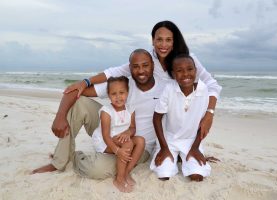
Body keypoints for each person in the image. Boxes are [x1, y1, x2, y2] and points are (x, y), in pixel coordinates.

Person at [64, 20, 222, 141]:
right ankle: (62, 157)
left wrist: (209, 113)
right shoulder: (147, 61)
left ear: (174, 42)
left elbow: (212, 85)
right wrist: (85, 82)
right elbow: (114, 72)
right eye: (159, 39)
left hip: (174, 118)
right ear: (152, 40)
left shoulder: (187, 60)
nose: (163, 45)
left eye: (168, 40)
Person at [31, 49, 166, 179]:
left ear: (153, 65)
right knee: (80, 103)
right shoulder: (123, 84)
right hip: (110, 129)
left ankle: (74, 157)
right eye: (136, 66)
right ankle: (59, 161)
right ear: (129, 68)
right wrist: (59, 116)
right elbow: (74, 91)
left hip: (138, 145)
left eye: (145, 65)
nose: (141, 70)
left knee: (96, 170)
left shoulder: (165, 88)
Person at [150, 54, 211, 182]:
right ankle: (175, 157)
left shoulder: (203, 89)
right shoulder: (169, 89)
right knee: (163, 174)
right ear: (173, 74)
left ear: (195, 70)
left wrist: (195, 147)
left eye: (190, 69)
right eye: (179, 70)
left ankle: (183, 158)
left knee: (197, 176)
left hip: (191, 140)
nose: (185, 74)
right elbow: (156, 119)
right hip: (169, 140)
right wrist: (164, 148)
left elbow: (203, 122)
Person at [92, 76, 145, 192]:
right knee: (128, 143)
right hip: (106, 141)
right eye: (113, 94)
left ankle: (126, 172)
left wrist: (128, 132)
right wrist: (117, 151)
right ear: (108, 94)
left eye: (121, 93)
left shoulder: (130, 109)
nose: (118, 97)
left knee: (140, 140)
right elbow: (105, 136)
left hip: (122, 138)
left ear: (127, 92)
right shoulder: (106, 112)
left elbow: (132, 128)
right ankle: (119, 179)